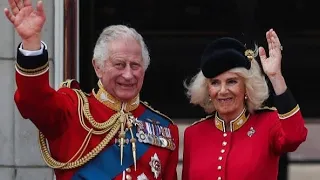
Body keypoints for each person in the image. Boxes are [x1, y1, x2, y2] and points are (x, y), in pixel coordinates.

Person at [5, 0, 179, 179]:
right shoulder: (72, 110)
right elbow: (34, 99)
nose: (128, 75)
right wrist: (31, 43)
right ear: (98, 67)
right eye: (119, 64)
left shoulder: (164, 128)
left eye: (135, 65)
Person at [182, 29, 308, 180]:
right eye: (215, 83)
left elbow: (295, 137)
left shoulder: (268, 123)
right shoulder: (193, 134)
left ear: (247, 87)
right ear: (207, 90)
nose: (222, 91)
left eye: (232, 81)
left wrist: (275, 77)